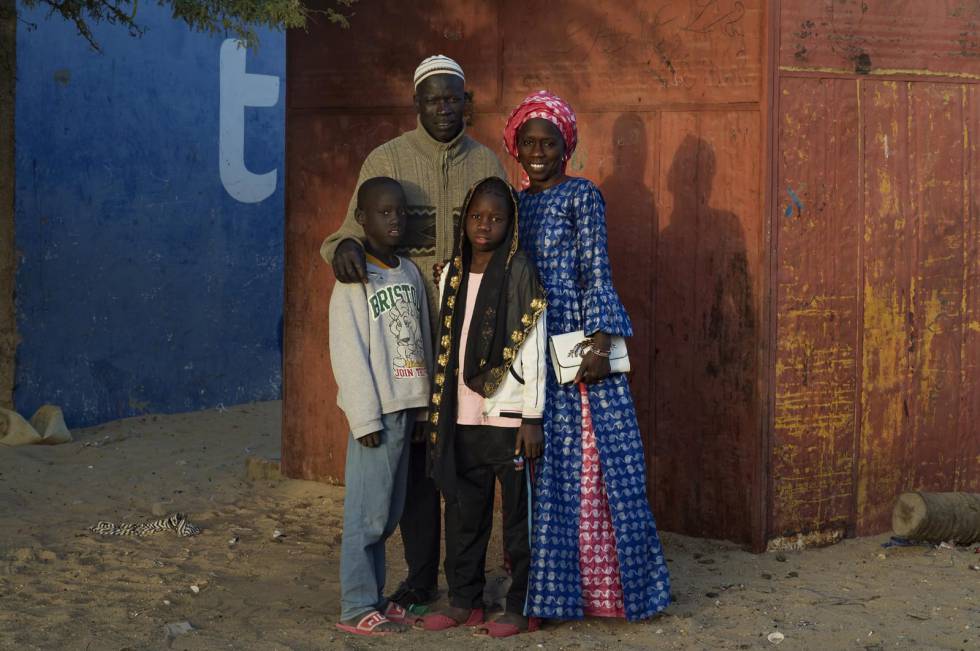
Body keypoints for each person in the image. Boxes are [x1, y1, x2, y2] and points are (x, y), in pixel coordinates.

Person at [321, 55, 506, 609]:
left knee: (466, 462)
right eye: (433, 99)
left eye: (454, 98)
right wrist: (346, 248)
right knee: (419, 469)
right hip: (405, 351)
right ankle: (421, 578)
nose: (444, 108)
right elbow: (343, 237)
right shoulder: (388, 160)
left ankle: (465, 582)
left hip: (470, 343)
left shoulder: (486, 163)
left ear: (465, 101)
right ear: (417, 103)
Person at [502, 91, 671, 621]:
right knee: (542, 473)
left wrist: (600, 339)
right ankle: (549, 593)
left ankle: (610, 595)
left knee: (593, 471)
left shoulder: (583, 197)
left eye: (547, 142)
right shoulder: (513, 202)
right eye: (527, 142)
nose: (537, 151)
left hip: (577, 356)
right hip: (529, 355)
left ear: (565, 146)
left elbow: (597, 269)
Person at [418, 177, 546, 637]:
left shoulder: (520, 272)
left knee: (518, 521)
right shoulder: (450, 273)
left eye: (496, 217)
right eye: (477, 217)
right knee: (463, 513)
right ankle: (464, 601)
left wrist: (532, 416)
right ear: (464, 221)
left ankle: (520, 605)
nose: (484, 225)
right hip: (462, 417)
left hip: (509, 422)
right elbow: (448, 348)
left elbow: (532, 349)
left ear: (511, 223)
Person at [330, 177, 432, 636]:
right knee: (366, 514)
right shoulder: (353, 279)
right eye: (384, 213)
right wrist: (363, 416)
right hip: (375, 413)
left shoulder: (408, 272)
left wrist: (424, 408)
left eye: (401, 212)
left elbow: (423, 339)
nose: (395, 220)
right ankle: (355, 606)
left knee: (388, 513)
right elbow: (347, 352)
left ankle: (375, 596)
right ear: (362, 219)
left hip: (408, 407)